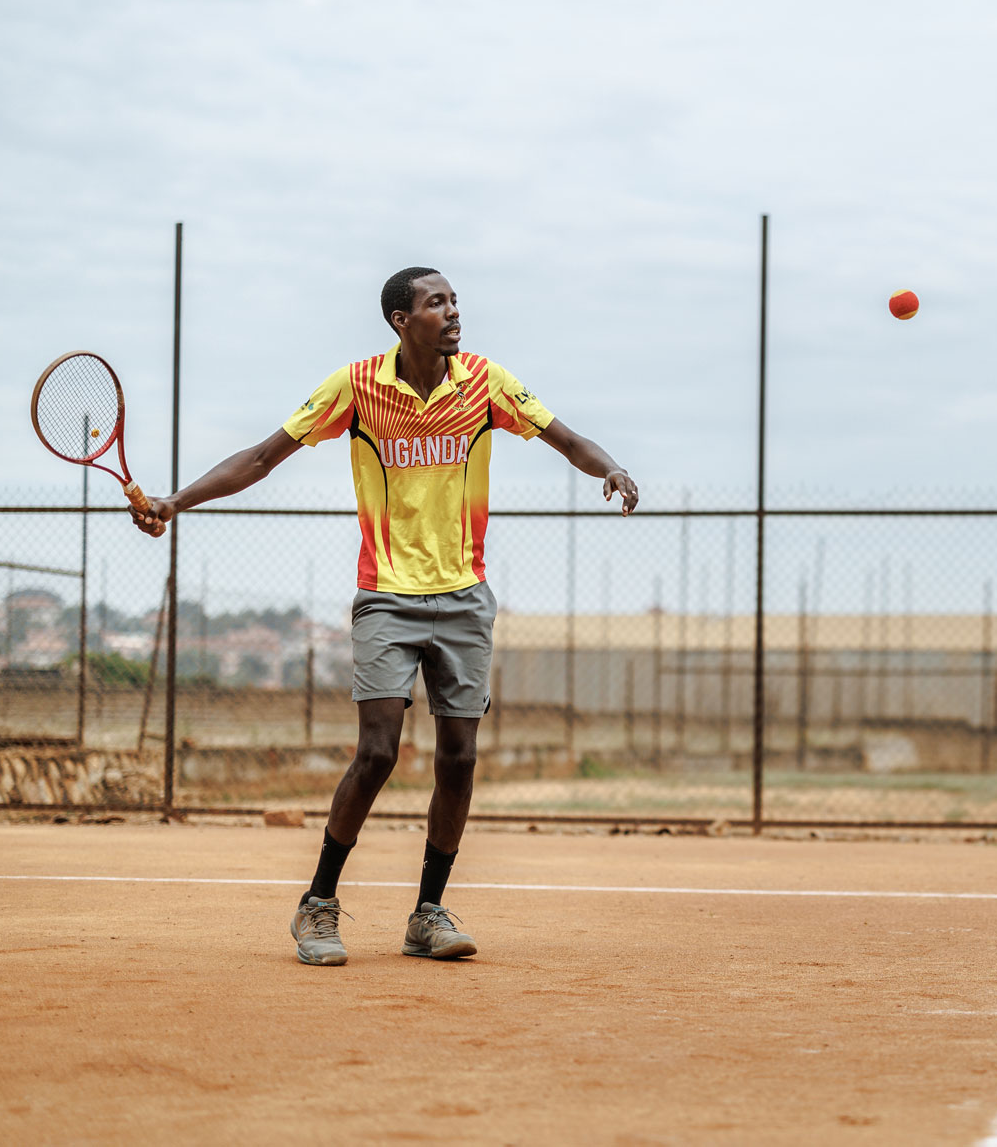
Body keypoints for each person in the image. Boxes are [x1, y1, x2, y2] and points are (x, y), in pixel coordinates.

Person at [131, 266, 638, 966]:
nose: (454, 312)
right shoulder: (357, 386)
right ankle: (317, 905)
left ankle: (427, 914)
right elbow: (261, 456)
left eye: (455, 300)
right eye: (437, 303)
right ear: (402, 320)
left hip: (464, 597)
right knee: (377, 752)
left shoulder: (486, 382)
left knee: (459, 759)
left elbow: (568, 438)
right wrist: (174, 502)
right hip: (387, 596)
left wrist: (607, 468)